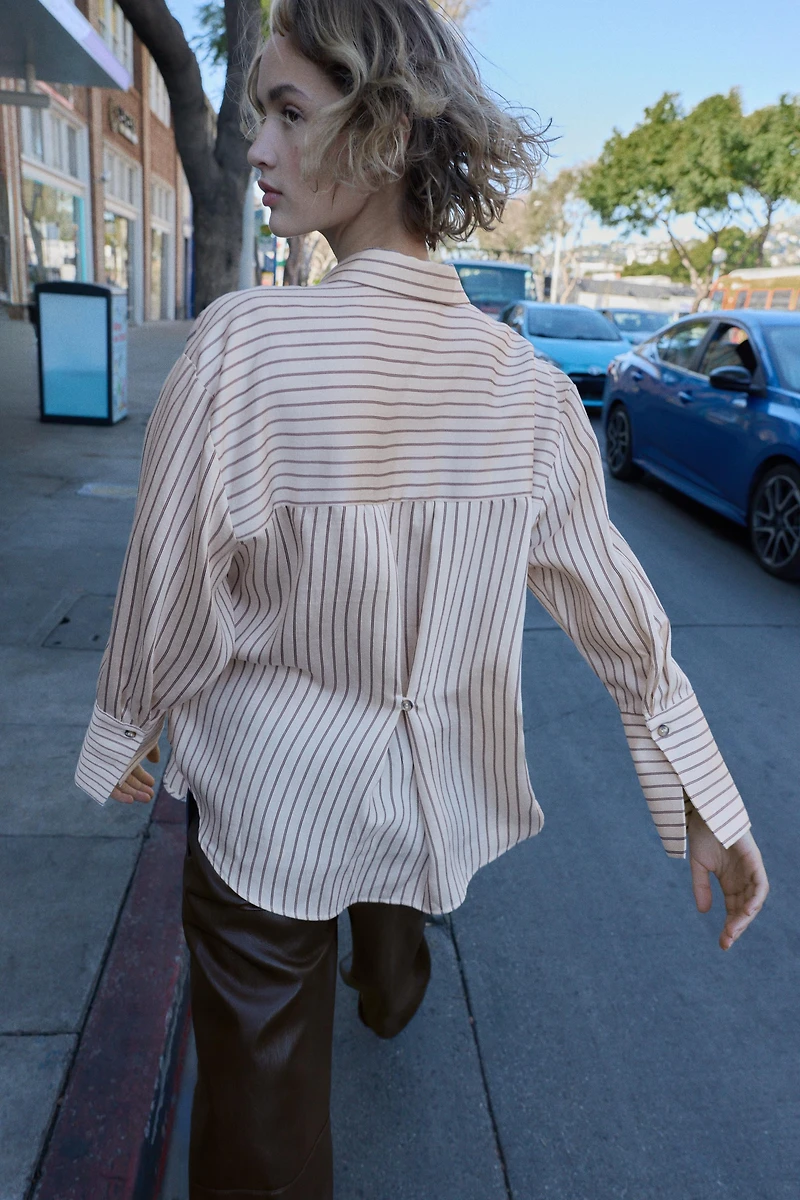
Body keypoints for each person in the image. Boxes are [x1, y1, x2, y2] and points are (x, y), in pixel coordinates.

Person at [74, 1, 769, 1196]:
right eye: (256, 117)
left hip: (264, 806)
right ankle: (391, 982)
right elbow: (620, 621)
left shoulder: (242, 349)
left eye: (288, 112)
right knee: (390, 887)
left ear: (386, 128)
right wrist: (700, 789)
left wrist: (128, 734)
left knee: (258, 1084)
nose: (256, 148)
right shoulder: (531, 395)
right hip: (422, 790)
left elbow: (172, 593)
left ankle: (377, 975)